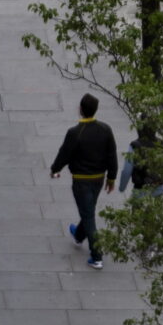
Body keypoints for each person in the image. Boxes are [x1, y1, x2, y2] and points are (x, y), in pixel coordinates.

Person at [50, 93, 118, 269]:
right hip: (98, 179)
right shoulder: (106, 129)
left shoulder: (75, 132)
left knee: (88, 216)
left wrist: (55, 169)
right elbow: (112, 155)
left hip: (81, 180)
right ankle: (79, 235)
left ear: (80, 109)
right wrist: (111, 177)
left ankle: (97, 256)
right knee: (88, 210)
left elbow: (64, 153)